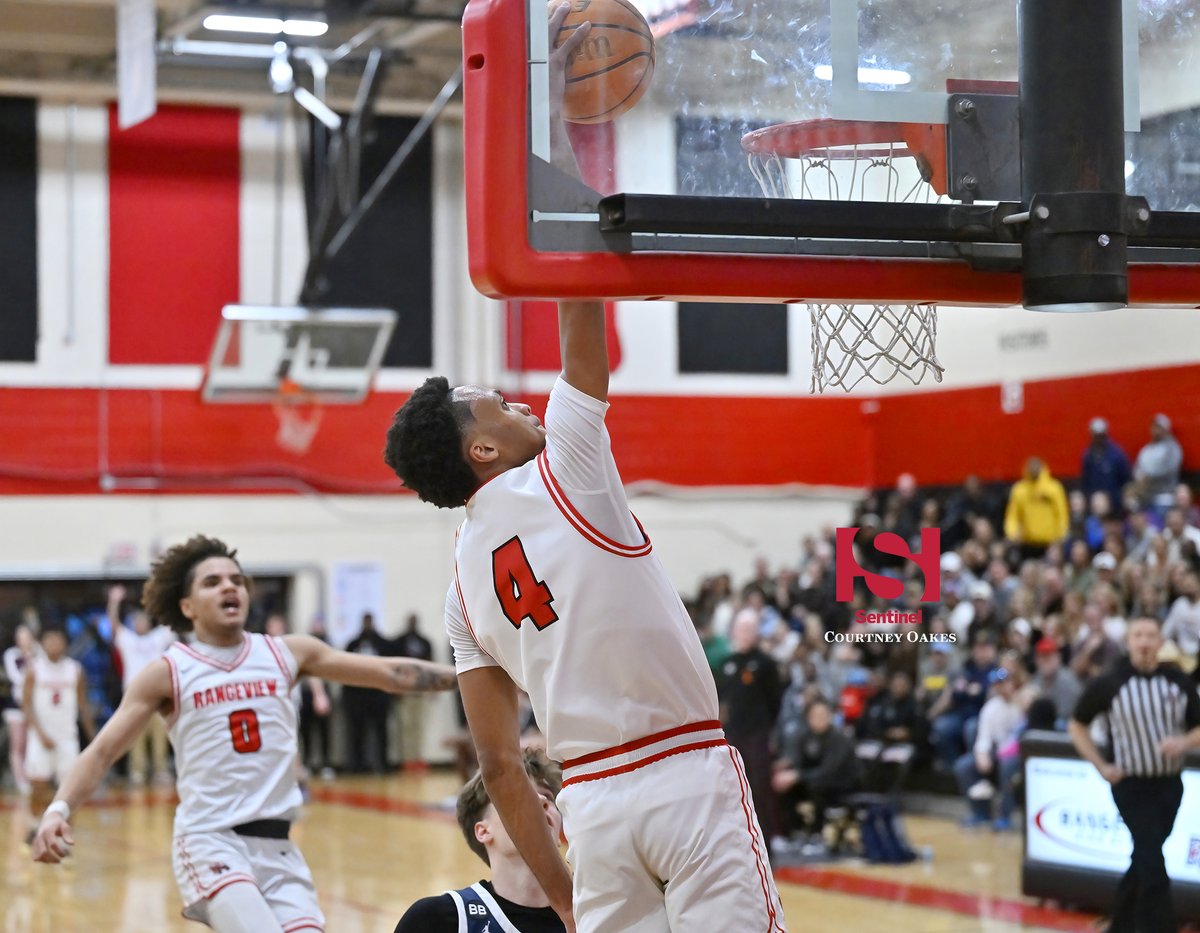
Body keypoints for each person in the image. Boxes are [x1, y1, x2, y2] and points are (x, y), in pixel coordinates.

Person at [382, 12, 787, 930]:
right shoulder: (563, 462)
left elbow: (496, 769)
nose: (518, 403)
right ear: (482, 449)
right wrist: (565, 121)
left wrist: (567, 897)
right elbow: (580, 304)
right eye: (497, 406)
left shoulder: (457, 587)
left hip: (595, 810)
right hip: (684, 773)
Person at [31, 534, 457, 933]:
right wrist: (58, 811)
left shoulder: (287, 652)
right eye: (212, 582)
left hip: (280, 849)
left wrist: (469, 675)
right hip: (210, 841)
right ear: (187, 606)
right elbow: (102, 751)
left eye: (236, 580)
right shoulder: (169, 672)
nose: (228, 588)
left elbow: (391, 674)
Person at [1069, 617, 1200, 933]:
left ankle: (1120, 925)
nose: (1144, 642)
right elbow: (1077, 724)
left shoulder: (1178, 680)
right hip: (1131, 785)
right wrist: (1101, 766)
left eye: (1150, 636)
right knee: (1152, 860)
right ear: (1128, 642)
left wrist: (1183, 742)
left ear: (1159, 642)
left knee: (1144, 856)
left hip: (1170, 785)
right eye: (1138, 635)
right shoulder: (1110, 681)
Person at [394, 747, 566, 933]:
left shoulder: (590, 914)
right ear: (483, 831)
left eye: (548, 797)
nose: (541, 800)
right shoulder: (436, 920)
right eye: (518, 797)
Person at [717, 607, 784, 842]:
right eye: (742, 628)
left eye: (750, 628)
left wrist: (765, 730)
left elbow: (775, 702)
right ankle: (738, 842)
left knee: (760, 790)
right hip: (732, 737)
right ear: (734, 630)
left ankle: (767, 846)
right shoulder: (726, 664)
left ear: (757, 632)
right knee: (733, 791)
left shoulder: (766, 664)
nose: (746, 633)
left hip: (757, 736)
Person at [23, 624, 94, 842]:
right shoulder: (34, 669)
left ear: (64, 643)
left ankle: (63, 833)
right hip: (40, 738)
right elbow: (26, 704)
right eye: (49, 639)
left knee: (69, 791)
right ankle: (35, 828)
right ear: (43, 644)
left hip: (67, 738)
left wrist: (93, 737)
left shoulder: (75, 669)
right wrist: (40, 733)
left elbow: (83, 705)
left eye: (58, 639)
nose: (54, 644)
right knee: (38, 786)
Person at [107, 584, 176, 785]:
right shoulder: (127, 639)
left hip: (158, 692)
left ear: (149, 622)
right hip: (134, 693)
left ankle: (160, 769)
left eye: (143, 620)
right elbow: (113, 624)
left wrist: (163, 595)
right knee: (135, 734)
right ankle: (137, 771)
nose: (140, 624)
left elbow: (171, 622)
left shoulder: (158, 637)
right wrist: (114, 601)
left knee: (160, 734)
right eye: (136, 621)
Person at [953, 667, 1024, 831]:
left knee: (1008, 765)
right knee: (964, 766)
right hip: (997, 753)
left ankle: (1005, 816)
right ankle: (980, 813)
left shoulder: (1022, 703)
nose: (1002, 687)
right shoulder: (991, 708)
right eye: (998, 684)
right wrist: (981, 755)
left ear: (1013, 682)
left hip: (1017, 754)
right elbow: (983, 738)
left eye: (1005, 682)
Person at [343, 612, 393, 773]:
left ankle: (383, 764)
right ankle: (358, 765)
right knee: (357, 732)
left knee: (382, 731)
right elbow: (346, 671)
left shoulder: (382, 644)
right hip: (358, 697)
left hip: (378, 695)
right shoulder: (353, 644)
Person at [391, 613, 435, 771]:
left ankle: (419, 758)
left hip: (421, 690)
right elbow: (394, 667)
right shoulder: (399, 642)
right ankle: (407, 759)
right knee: (406, 727)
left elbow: (431, 665)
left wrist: (432, 688)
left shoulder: (425, 642)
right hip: (405, 691)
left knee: (419, 726)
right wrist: (396, 688)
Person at [1004, 457, 1069, 560]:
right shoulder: (1019, 490)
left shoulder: (1054, 488)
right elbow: (1013, 515)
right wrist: (1012, 533)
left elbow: (1062, 514)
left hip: (1050, 543)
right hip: (1026, 543)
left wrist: (1060, 536)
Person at [3, 622, 37, 796]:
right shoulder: (11, 655)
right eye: (21, 636)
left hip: (33, 706)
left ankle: (33, 776)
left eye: (27, 636)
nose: (24, 640)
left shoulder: (37, 653)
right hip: (16, 706)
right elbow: (16, 678)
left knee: (32, 743)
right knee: (18, 744)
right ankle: (20, 781)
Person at [1135, 414, 1184, 513]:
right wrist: (1139, 479)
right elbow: (1137, 468)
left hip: (1164, 499)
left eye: (1159, 427)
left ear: (1166, 429)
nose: (1155, 430)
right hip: (1146, 498)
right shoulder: (1147, 450)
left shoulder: (1172, 448)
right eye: (1154, 427)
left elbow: (1168, 469)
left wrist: (1147, 479)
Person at [1081, 418, 1132, 505]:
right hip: (1095, 503)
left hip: (1115, 503)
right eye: (1096, 435)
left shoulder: (1117, 454)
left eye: (1101, 435)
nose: (1099, 438)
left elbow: (1126, 479)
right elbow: (1086, 481)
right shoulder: (1088, 456)